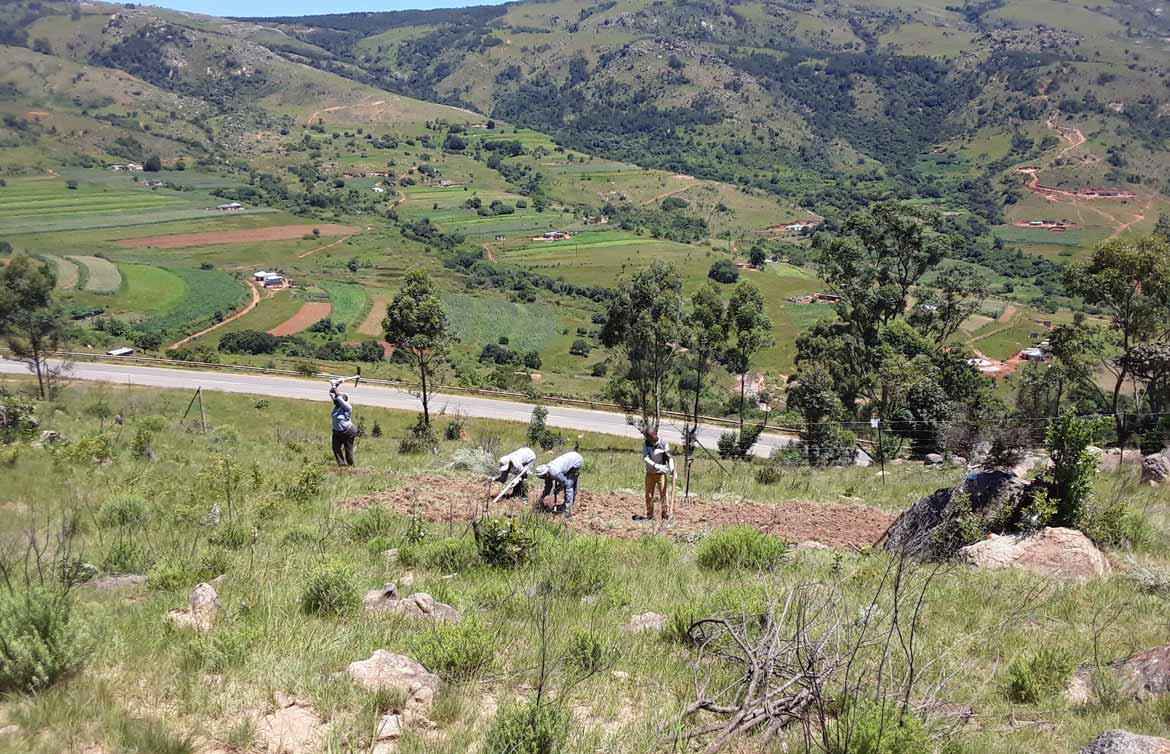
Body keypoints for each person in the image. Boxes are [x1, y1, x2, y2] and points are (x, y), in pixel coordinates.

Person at [636, 428, 675, 521]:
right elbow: (645, 458)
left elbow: (669, 458)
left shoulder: (664, 443)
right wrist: (656, 465)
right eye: (647, 437)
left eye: (650, 437)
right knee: (649, 495)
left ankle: (665, 515)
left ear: (655, 434)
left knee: (663, 494)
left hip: (661, 474)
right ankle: (650, 515)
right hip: (650, 473)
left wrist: (672, 470)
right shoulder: (646, 443)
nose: (649, 439)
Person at [535, 451, 583, 517]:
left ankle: (567, 511)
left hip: (576, 461)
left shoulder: (555, 473)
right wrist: (542, 497)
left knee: (569, 485)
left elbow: (565, 483)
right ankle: (568, 505)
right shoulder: (547, 472)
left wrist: (558, 489)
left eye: (542, 477)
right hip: (569, 461)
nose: (543, 479)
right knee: (566, 482)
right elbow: (548, 486)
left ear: (546, 474)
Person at [329, 379, 357, 466]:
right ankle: (341, 465)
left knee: (348, 449)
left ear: (344, 400)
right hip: (337, 431)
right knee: (335, 448)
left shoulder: (347, 407)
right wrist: (337, 384)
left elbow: (338, 397)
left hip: (348, 431)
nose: (336, 399)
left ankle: (350, 466)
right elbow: (332, 393)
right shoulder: (336, 406)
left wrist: (334, 385)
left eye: (340, 398)